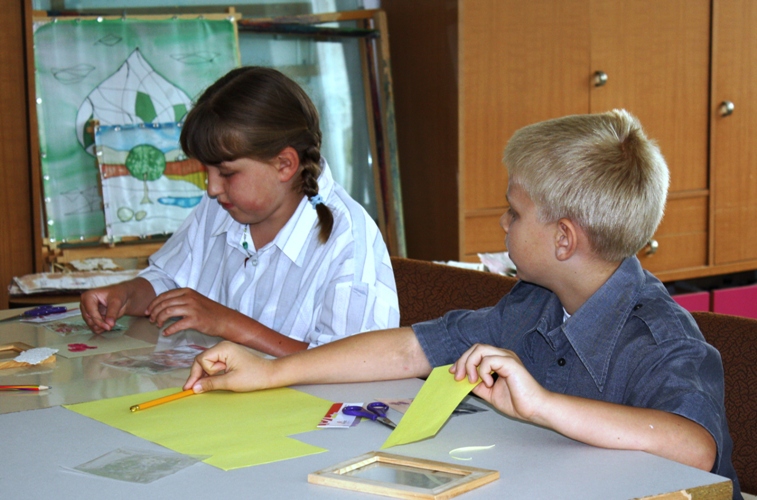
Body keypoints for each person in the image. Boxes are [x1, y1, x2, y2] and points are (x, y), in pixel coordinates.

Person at [182, 110, 741, 498]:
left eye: (514, 212)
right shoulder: (533, 301)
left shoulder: (660, 336)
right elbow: (411, 349)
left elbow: (693, 447)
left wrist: (543, 405)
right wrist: (274, 371)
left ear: (564, 239)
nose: (503, 222)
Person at [80, 66, 400, 357]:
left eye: (226, 173)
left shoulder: (348, 240)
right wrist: (126, 294)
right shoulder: (222, 207)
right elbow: (169, 281)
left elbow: (354, 364)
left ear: (284, 164)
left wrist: (229, 324)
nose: (212, 188)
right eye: (206, 171)